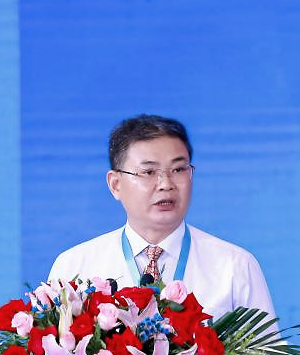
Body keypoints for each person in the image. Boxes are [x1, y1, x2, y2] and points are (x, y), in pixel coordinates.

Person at [47, 114, 275, 322]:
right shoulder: (75, 266)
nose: (166, 184)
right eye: (148, 172)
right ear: (115, 184)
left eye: (178, 170)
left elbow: (267, 353)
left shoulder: (234, 266)